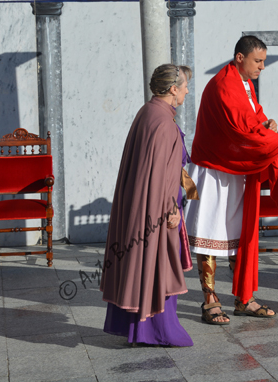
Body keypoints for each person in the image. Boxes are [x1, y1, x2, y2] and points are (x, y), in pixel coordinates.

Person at [185, 35, 278, 325]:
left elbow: (251, 120)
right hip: (213, 170)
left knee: (239, 235)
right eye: (258, 61)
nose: (262, 67)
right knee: (210, 235)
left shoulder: (244, 83)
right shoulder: (224, 85)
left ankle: (243, 298)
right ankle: (209, 301)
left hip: (236, 168)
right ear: (240, 58)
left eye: (264, 61)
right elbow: (241, 131)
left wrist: (266, 125)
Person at [101, 64, 195, 346]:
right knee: (159, 262)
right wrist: (171, 209)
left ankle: (140, 331)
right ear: (173, 89)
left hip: (143, 203)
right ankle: (158, 331)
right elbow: (162, 175)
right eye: (185, 86)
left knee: (143, 263)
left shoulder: (147, 112)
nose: (187, 92)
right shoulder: (163, 122)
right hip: (157, 208)